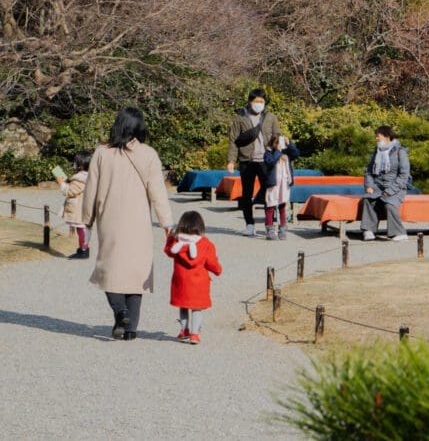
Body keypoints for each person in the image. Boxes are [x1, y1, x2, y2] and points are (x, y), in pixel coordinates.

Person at [81, 108, 173, 341]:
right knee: (136, 273)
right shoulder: (149, 154)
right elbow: (158, 192)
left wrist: (86, 220)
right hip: (139, 220)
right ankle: (130, 328)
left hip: (110, 218)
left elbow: (90, 190)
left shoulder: (102, 154)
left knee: (109, 269)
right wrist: (167, 223)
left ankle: (120, 312)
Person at [226, 88, 281, 237]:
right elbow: (233, 141)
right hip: (246, 160)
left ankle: (269, 224)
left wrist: (279, 154)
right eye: (256, 101)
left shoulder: (270, 117)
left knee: (269, 191)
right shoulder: (240, 118)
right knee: (246, 193)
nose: (259, 104)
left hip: (266, 160)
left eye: (262, 101)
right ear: (250, 101)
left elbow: (277, 138)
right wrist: (231, 160)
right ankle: (249, 224)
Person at [164, 210, 222, 345]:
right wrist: (218, 270)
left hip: (181, 282)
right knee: (197, 308)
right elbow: (211, 263)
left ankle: (184, 331)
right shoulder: (206, 244)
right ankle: (195, 334)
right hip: (199, 283)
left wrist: (170, 238)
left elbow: (168, 251)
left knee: (183, 307)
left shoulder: (177, 244)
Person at [360, 125, 411, 241]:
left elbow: (404, 175)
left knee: (389, 204)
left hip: (395, 187)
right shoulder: (377, 151)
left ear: (387, 136)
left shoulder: (400, 151)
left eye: (378, 136)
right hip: (377, 186)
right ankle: (369, 230)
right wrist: (369, 185)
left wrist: (390, 191)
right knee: (368, 199)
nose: (376, 139)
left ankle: (399, 233)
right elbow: (368, 171)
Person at [263, 134, 300, 240]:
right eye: (277, 143)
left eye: (281, 142)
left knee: (282, 205)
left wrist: (290, 144)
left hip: (284, 183)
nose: (280, 145)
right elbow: (270, 162)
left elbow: (296, 154)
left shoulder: (286, 152)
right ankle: (270, 229)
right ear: (273, 143)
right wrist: (278, 152)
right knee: (270, 205)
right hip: (273, 183)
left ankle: (282, 229)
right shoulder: (268, 152)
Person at [58, 151, 92, 260]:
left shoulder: (80, 178)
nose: (74, 164)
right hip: (83, 207)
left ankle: (83, 250)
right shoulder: (89, 176)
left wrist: (61, 183)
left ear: (80, 164)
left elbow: (70, 192)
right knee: (81, 229)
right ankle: (82, 249)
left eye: (75, 162)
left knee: (81, 230)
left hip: (78, 209)